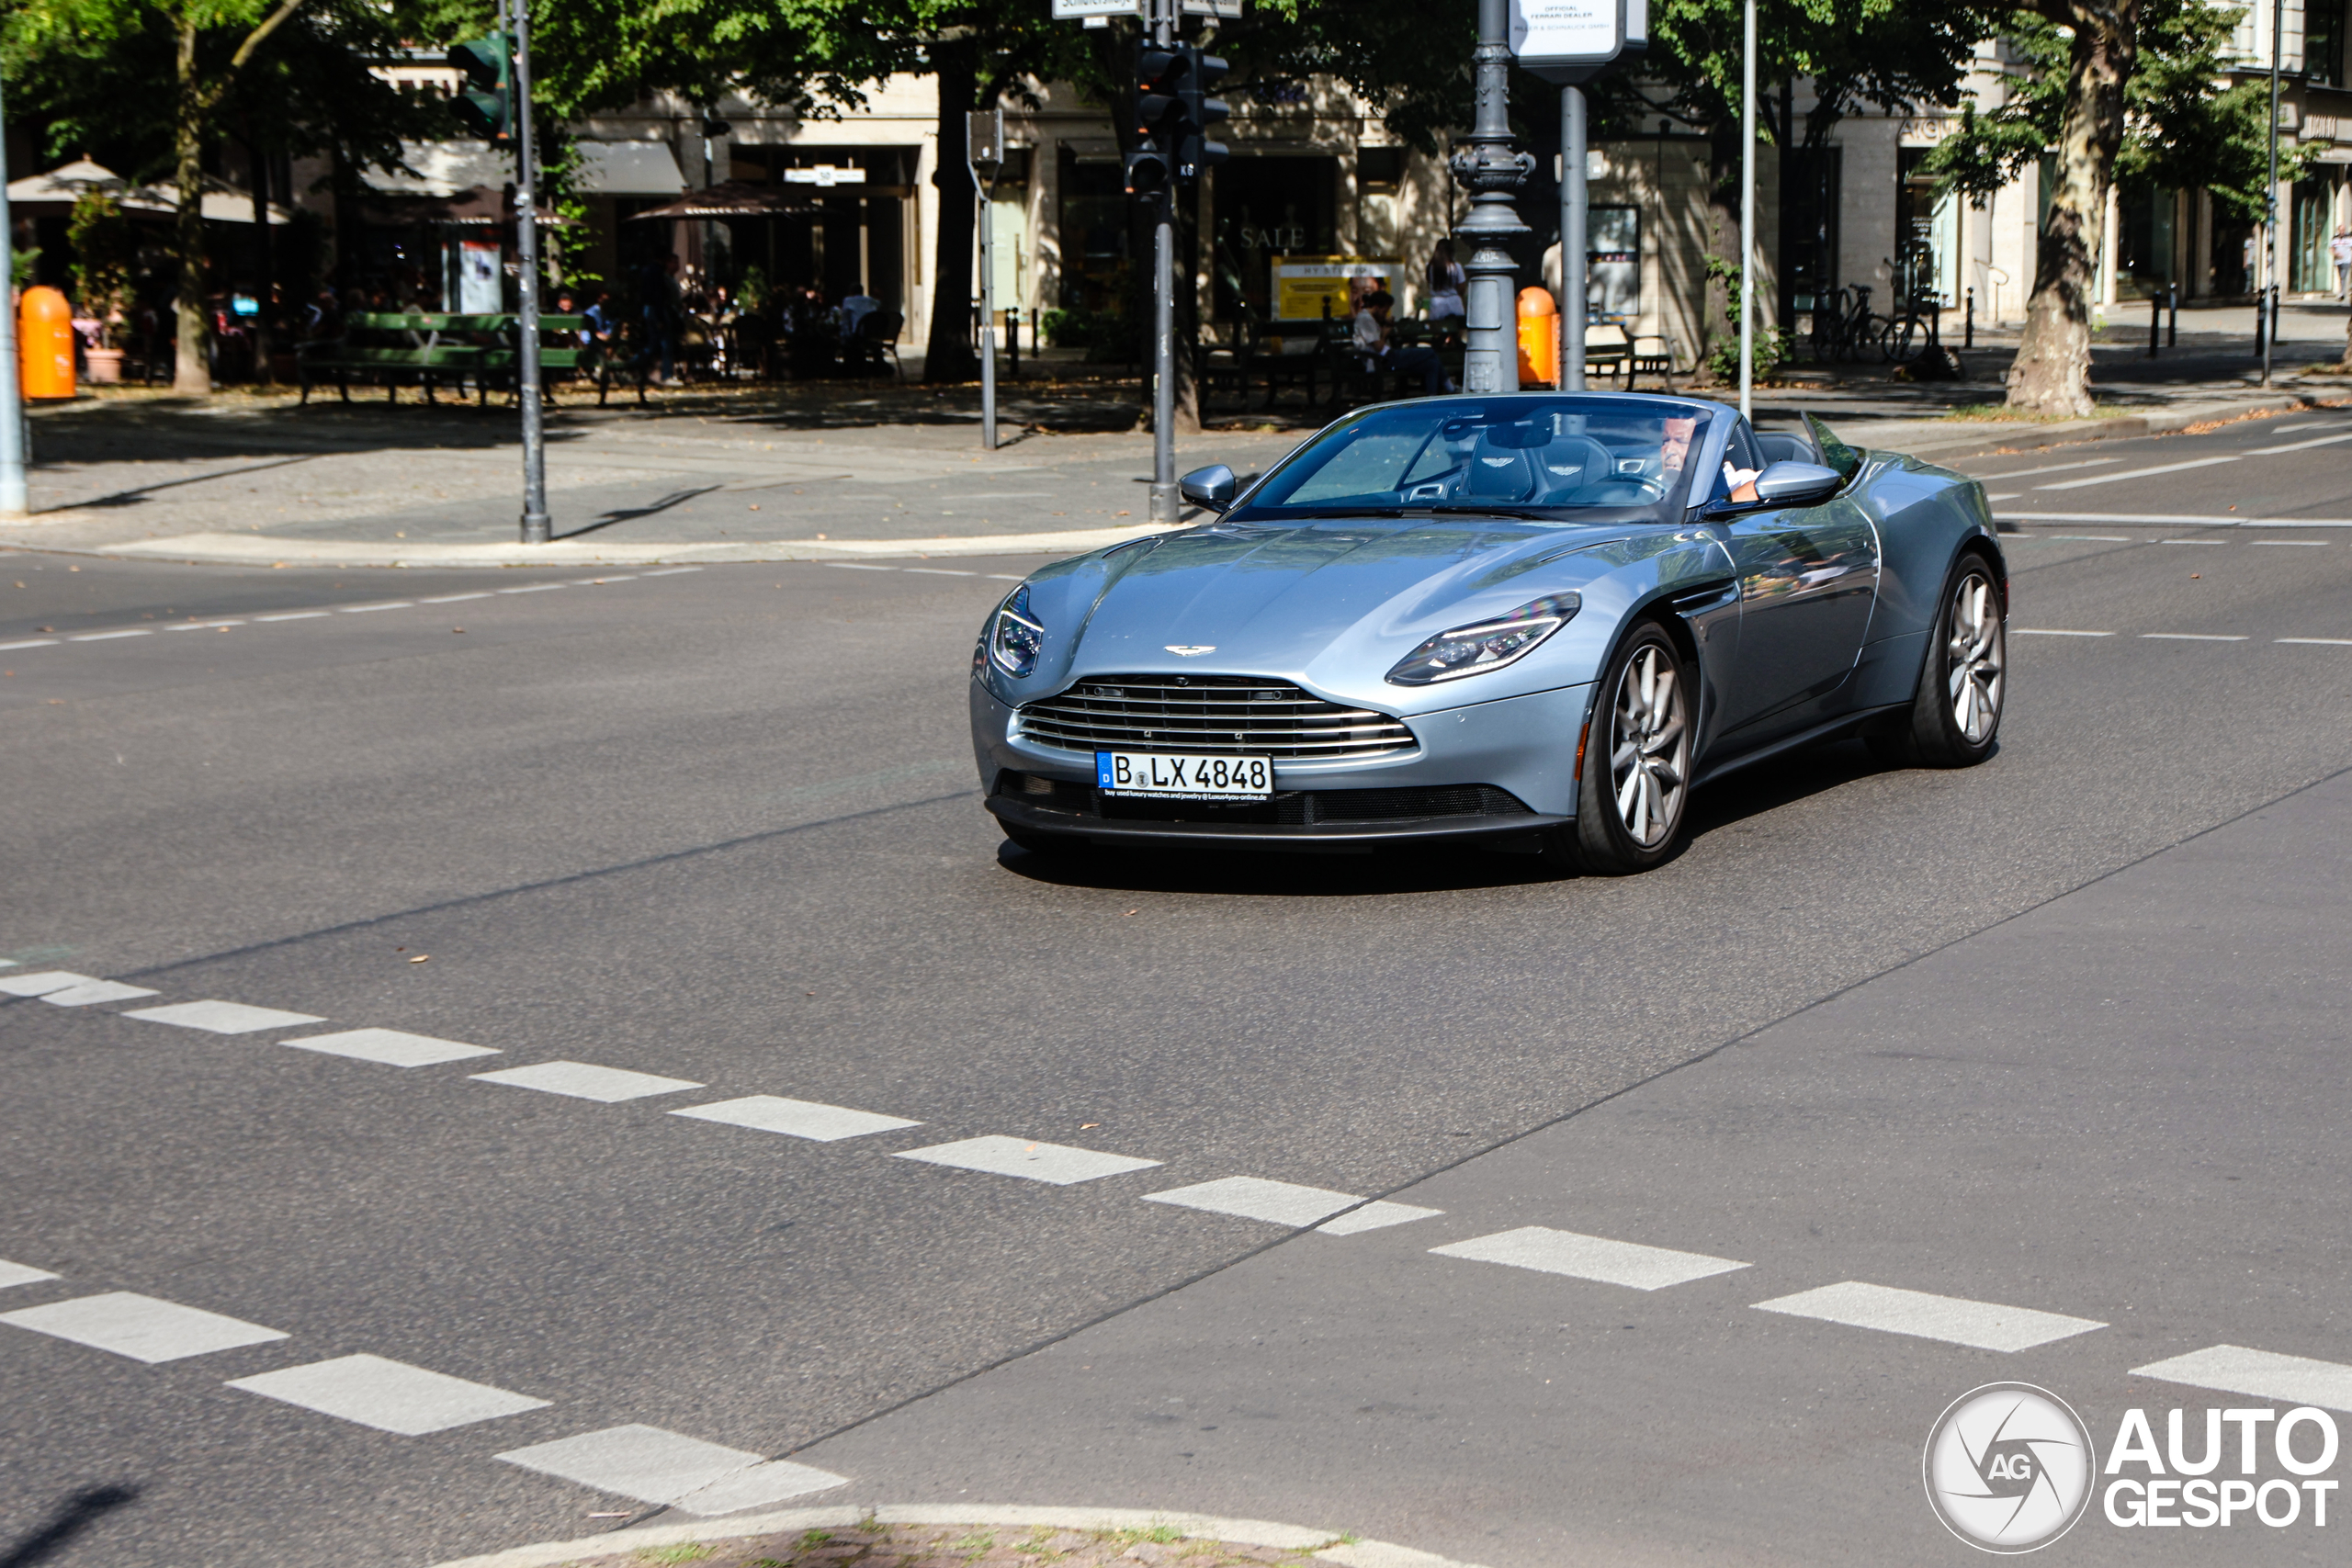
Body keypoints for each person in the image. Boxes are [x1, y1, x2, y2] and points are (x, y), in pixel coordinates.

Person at [1351, 289, 1451, 395]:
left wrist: (1384, 322)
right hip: (1382, 359)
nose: (1385, 315)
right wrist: (1385, 333)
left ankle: (1433, 397)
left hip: (1386, 357)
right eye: (1384, 311)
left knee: (1432, 364)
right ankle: (1450, 388)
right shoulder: (1366, 319)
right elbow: (1378, 347)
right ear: (1376, 307)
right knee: (1429, 352)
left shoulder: (1370, 318)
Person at [1424, 241, 1465, 322]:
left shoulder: (1430, 267)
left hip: (1437, 304)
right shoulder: (1456, 267)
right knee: (1457, 329)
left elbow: (1429, 282)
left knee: (1437, 330)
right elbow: (1462, 287)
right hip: (1454, 302)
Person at [2332, 226, 2352, 302]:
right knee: (2341, 277)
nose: (2342, 231)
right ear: (2339, 230)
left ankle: (2342, 293)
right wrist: (2336, 253)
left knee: (2343, 276)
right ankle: (2342, 292)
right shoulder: (2335, 238)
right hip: (2338, 261)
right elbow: (2331, 248)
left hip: (2347, 260)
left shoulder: (2348, 238)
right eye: (2341, 230)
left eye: (2343, 230)